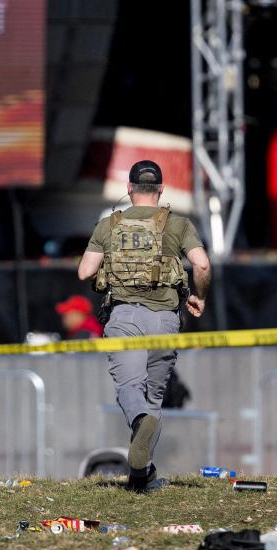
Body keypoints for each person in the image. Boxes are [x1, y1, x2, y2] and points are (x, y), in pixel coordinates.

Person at [77, 159, 211, 492]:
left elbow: (84, 272)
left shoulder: (109, 225)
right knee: (153, 399)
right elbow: (202, 264)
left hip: (123, 318)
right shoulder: (177, 224)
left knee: (130, 390)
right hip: (165, 318)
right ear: (161, 190)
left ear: (129, 189)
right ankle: (142, 476)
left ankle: (140, 425)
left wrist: (107, 274)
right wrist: (199, 296)